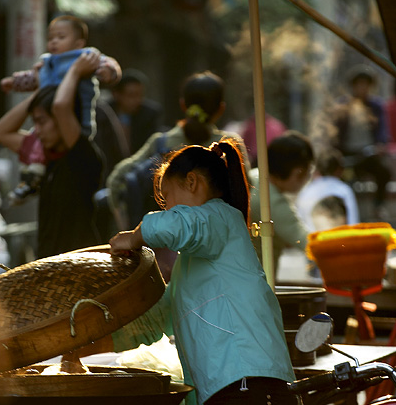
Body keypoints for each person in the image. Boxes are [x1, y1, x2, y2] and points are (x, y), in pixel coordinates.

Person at [106, 139, 301, 405]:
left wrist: (136, 235)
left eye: (167, 198)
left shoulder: (219, 218)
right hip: (244, 395)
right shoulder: (195, 262)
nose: (167, 208)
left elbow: (180, 225)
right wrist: (94, 337)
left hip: (253, 391)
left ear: (192, 182)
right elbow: (161, 317)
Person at [0, 52, 103, 259]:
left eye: (42, 121)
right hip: (49, 264)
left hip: (81, 267)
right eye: (35, 122)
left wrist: (75, 71)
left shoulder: (83, 156)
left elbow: (61, 106)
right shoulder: (45, 155)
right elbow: (0, 131)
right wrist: (39, 93)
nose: (37, 130)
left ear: (62, 120)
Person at [0, 15, 121, 205]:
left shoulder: (84, 57)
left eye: (61, 37)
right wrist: (14, 82)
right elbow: (31, 78)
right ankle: (31, 179)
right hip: (54, 120)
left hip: (74, 119)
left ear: (79, 43)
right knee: (35, 148)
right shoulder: (47, 62)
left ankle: (32, 179)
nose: (54, 41)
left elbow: (109, 64)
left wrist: (107, 73)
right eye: (51, 38)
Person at [106, 71, 249, 229]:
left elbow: (116, 179)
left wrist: (125, 225)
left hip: (168, 243)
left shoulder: (160, 142)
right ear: (221, 108)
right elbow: (245, 187)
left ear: (183, 105)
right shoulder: (229, 144)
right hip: (218, 238)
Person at [249, 131, 314, 274]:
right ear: (298, 172)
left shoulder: (254, 177)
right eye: (308, 171)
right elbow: (308, 243)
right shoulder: (270, 200)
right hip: (255, 280)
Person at [332, 64, 390, 217]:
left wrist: (380, 146)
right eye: (359, 84)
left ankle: (378, 207)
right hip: (347, 155)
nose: (362, 88)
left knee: (384, 173)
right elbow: (334, 132)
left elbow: (382, 131)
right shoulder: (342, 105)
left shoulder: (376, 106)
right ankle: (342, 212)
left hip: (368, 154)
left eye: (366, 85)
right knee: (341, 178)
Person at [296, 148, 360, 231]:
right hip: (340, 241)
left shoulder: (305, 192)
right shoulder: (344, 190)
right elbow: (353, 223)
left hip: (312, 241)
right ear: (339, 170)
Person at [108, 69, 163, 155]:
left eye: (140, 95)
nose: (137, 100)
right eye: (131, 95)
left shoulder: (149, 114)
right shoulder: (106, 112)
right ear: (116, 94)